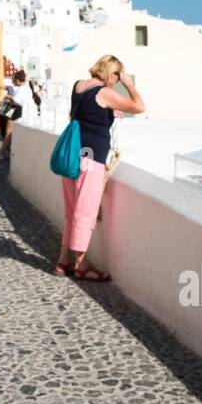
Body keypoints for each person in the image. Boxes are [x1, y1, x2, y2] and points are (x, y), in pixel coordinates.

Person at [55, 55, 145, 281]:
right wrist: (129, 85)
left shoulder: (79, 86)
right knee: (86, 213)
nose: (117, 80)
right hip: (90, 159)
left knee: (71, 211)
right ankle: (81, 265)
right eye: (117, 75)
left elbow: (81, 114)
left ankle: (63, 261)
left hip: (73, 156)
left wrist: (109, 113)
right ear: (112, 73)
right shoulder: (104, 92)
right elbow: (139, 106)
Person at [0, 71, 33, 161]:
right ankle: (6, 149)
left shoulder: (23, 89)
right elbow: (4, 86)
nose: (12, 81)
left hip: (17, 109)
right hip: (14, 109)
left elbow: (16, 101)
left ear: (18, 80)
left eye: (14, 79)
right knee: (6, 129)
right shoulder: (22, 87)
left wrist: (8, 97)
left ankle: (2, 151)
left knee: (9, 131)